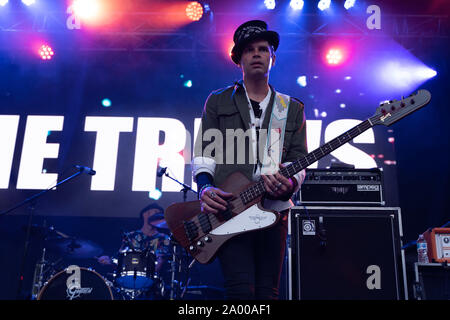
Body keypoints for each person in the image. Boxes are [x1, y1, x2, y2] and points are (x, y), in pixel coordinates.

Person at [192, 20, 308, 300]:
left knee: (268, 293)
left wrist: (290, 182)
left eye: (263, 49)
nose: (257, 54)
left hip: (275, 210)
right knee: (240, 291)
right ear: (239, 59)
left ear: (273, 58)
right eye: (249, 50)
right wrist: (205, 188)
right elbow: (203, 153)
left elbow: (299, 159)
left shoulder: (290, 107)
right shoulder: (218, 101)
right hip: (230, 209)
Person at [97, 203, 170, 298]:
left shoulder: (163, 238)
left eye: (160, 214)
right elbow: (120, 260)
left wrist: (148, 278)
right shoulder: (130, 236)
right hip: (128, 281)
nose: (159, 215)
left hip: (153, 285)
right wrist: (108, 260)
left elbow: (161, 262)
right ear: (145, 214)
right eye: (156, 212)